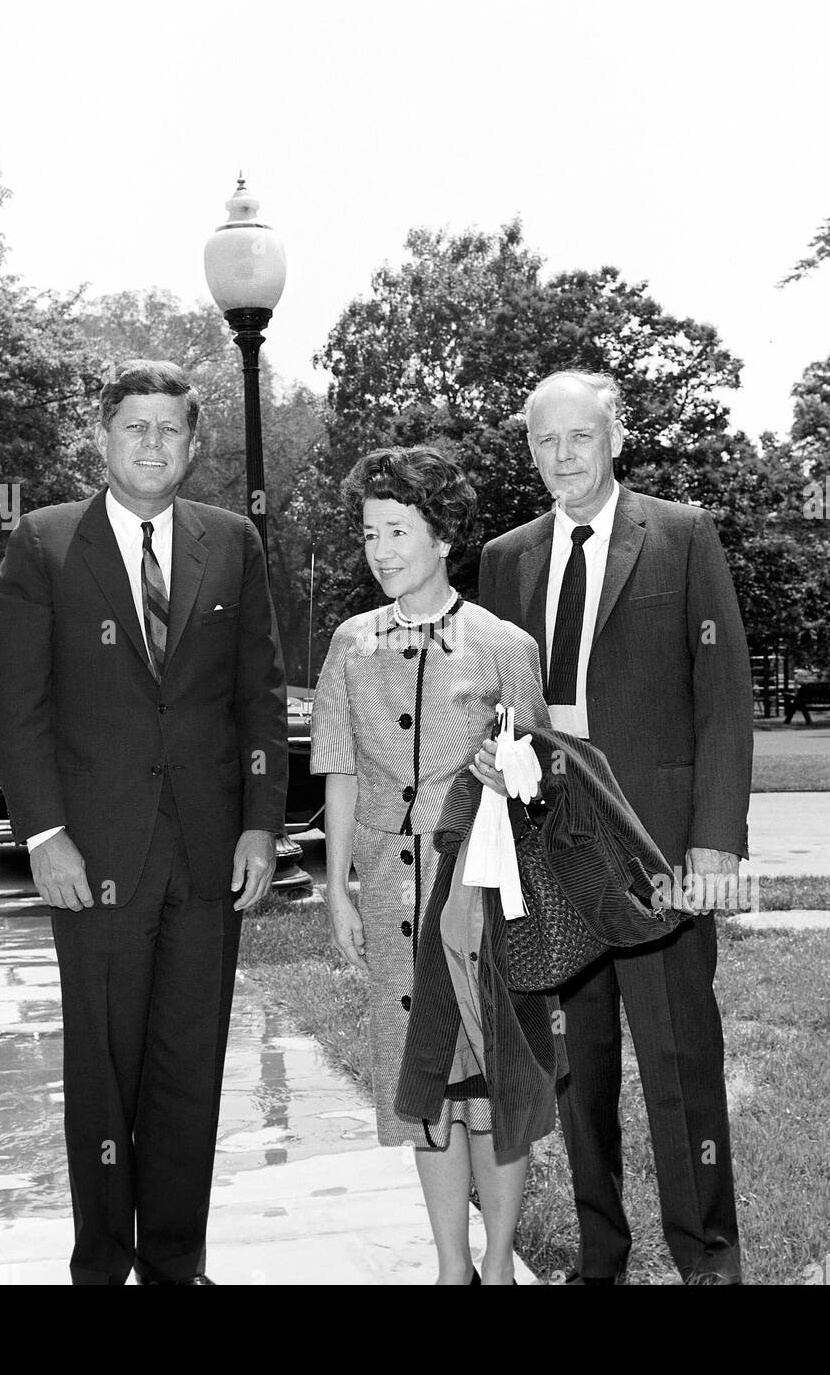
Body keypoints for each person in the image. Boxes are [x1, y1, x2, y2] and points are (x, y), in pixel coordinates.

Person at [0, 359, 287, 1285]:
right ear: (103, 437)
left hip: (207, 850)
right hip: (93, 854)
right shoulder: (44, 543)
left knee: (189, 1065)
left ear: (193, 445)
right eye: (135, 426)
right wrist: (44, 836)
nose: (153, 444)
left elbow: (259, 694)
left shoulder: (231, 541)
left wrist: (261, 824)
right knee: (105, 1066)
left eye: (170, 428)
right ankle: (102, 1261)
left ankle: (174, 1259)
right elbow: (18, 708)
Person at [476, 369, 753, 1286]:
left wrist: (716, 842)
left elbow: (724, 700)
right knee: (576, 1068)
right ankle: (602, 1261)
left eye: (580, 437)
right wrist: (492, 760)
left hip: (659, 847)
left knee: (680, 1057)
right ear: (531, 450)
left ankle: (707, 1259)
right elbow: (496, 704)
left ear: (615, 438)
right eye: (545, 440)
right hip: (552, 847)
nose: (563, 456)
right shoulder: (506, 558)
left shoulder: (681, 535)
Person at [310, 446, 561, 1286]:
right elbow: (340, 770)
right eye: (368, 534)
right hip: (392, 895)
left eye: (397, 532)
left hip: (481, 898)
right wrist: (338, 889)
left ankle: (498, 1263)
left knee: (491, 1080)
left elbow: (542, 779)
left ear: (443, 537)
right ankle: (452, 1266)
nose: (380, 552)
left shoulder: (503, 645)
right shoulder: (351, 644)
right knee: (425, 1084)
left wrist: (511, 772)